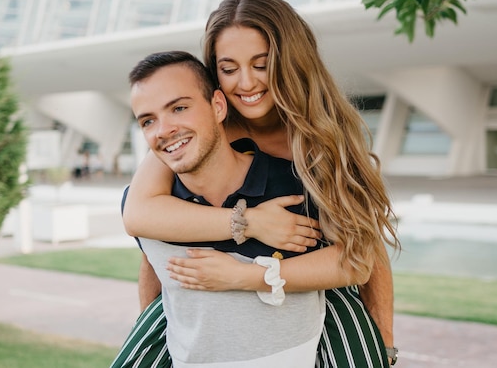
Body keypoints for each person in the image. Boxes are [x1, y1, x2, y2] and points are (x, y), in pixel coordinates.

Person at [115, 0, 400, 368]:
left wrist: (385, 344)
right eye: (229, 69)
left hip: (315, 297)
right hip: (200, 305)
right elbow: (144, 223)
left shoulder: (325, 142)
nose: (245, 83)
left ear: (290, 61)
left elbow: (366, 251)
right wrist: (250, 222)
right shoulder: (199, 131)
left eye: (261, 64)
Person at [121, 50, 355, 367]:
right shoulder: (146, 202)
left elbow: (356, 260)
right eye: (148, 121)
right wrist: (249, 222)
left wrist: (248, 276)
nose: (164, 129)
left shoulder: (298, 184)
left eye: (179, 108)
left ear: (218, 106)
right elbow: (153, 268)